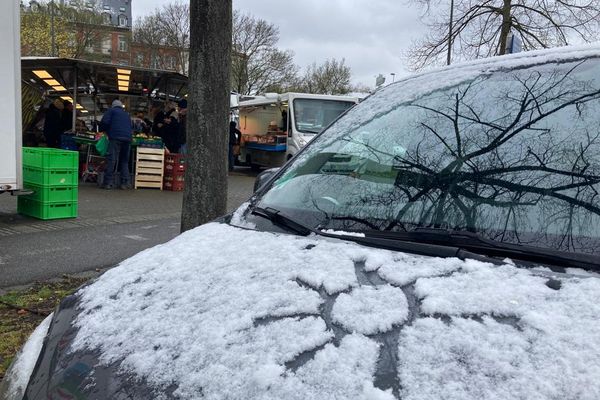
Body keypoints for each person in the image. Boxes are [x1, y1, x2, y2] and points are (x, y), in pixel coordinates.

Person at [100, 99, 133, 189]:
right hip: (127, 139)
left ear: (113, 106)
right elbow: (131, 126)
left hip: (115, 137)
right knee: (124, 161)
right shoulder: (126, 114)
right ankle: (125, 183)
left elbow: (104, 122)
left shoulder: (111, 111)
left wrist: (103, 130)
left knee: (112, 160)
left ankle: (108, 183)